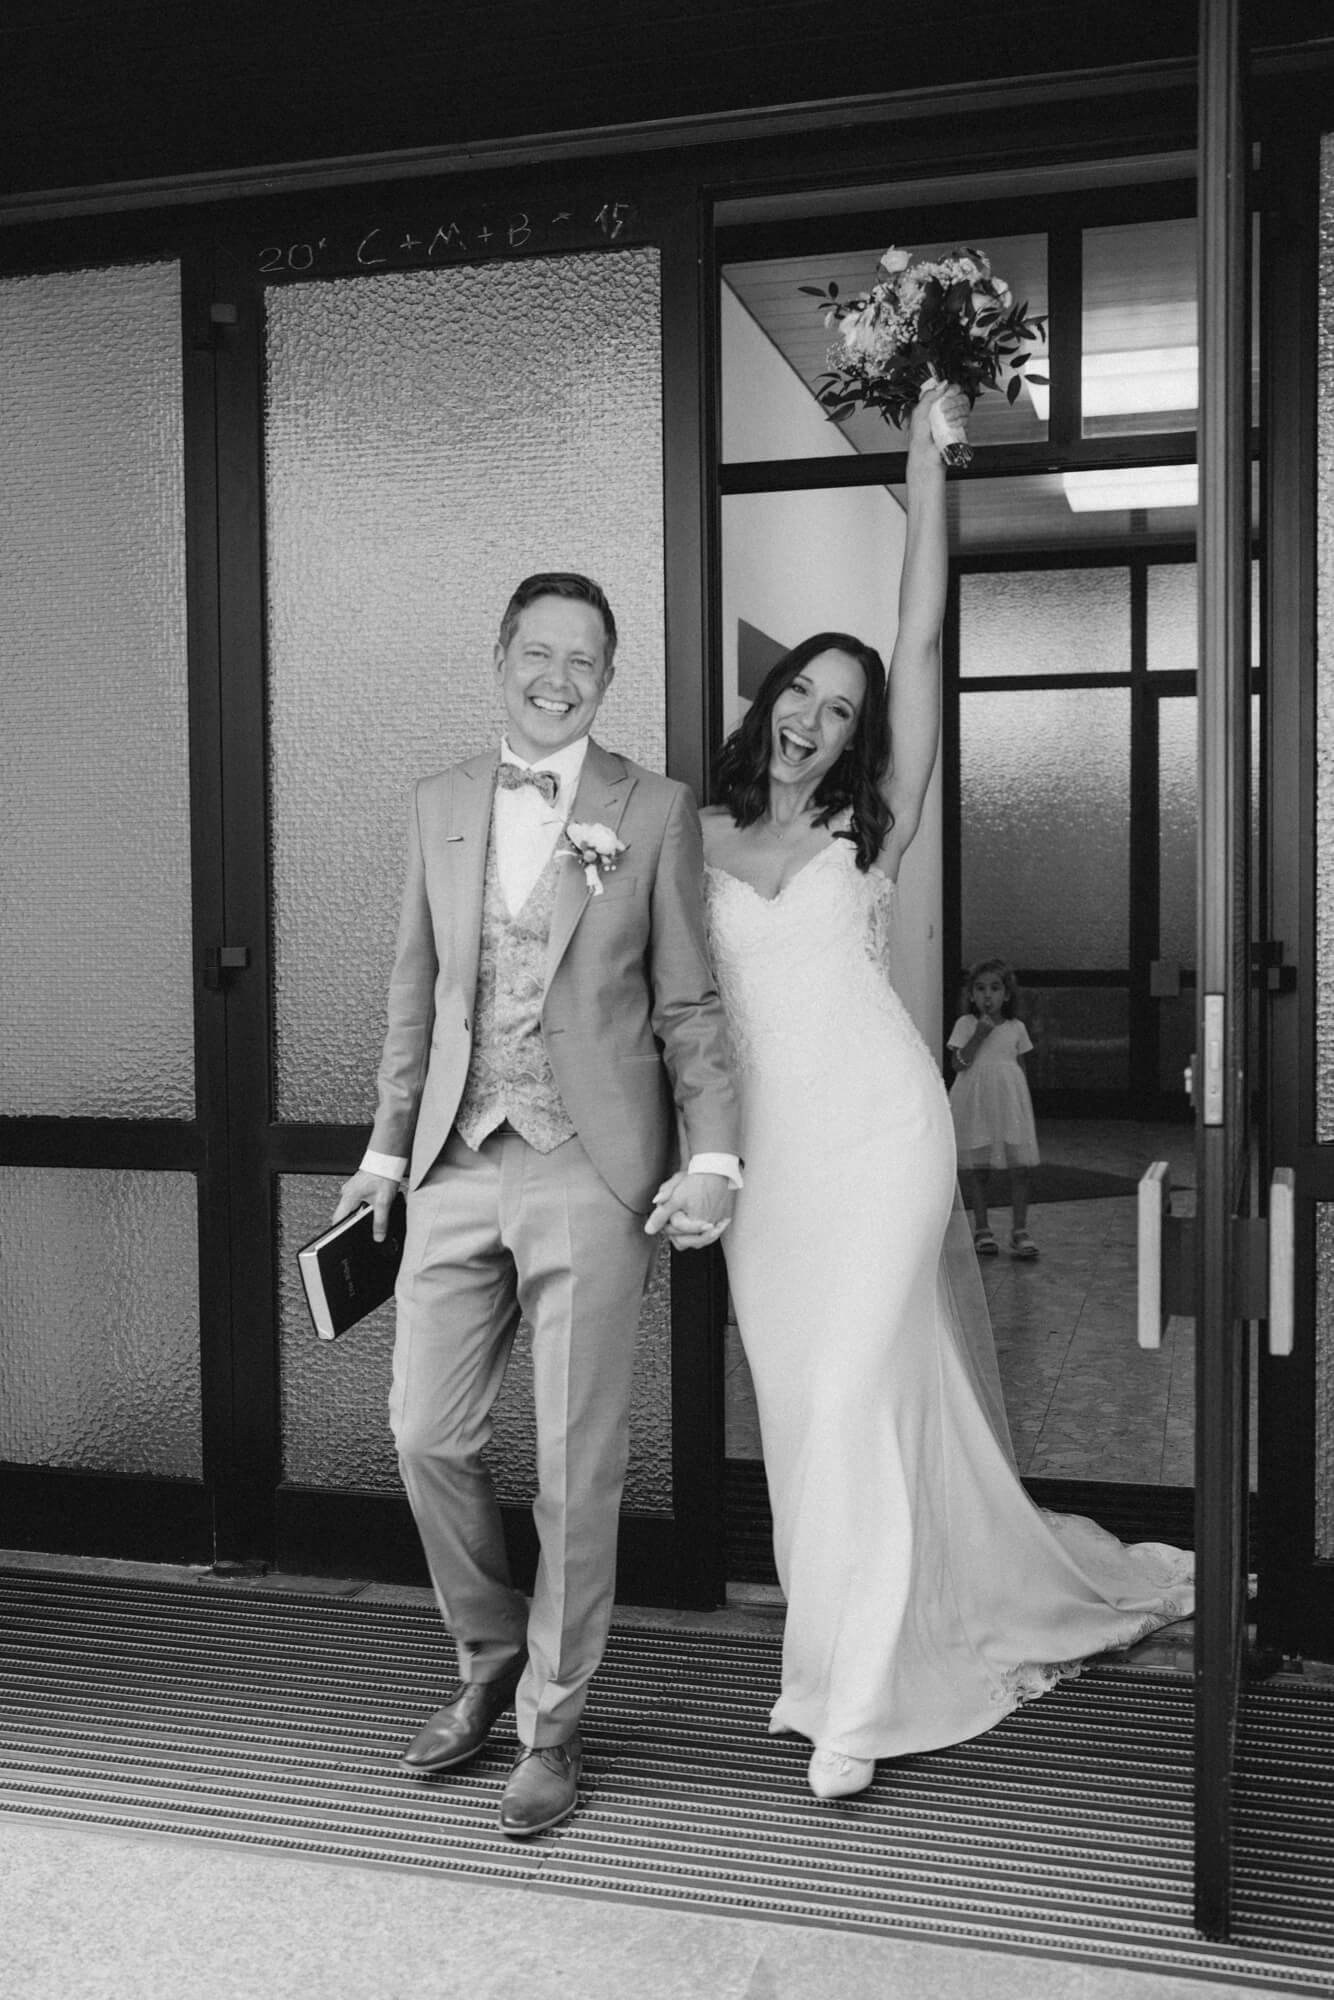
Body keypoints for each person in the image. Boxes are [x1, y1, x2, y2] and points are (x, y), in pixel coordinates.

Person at [655, 382, 1192, 1801]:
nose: (814, 719)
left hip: (883, 1136)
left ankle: (857, 1700)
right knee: (807, 1410)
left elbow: (922, 632)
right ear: (766, 700)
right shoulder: (685, 835)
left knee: (847, 1392)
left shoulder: (870, 829)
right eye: (801, 694)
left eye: (842, 710)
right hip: (766, 1166)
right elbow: (661, 1005)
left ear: (857, 737)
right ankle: (840, 1648)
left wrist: (922, 462)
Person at [334, 572, 740, 1838]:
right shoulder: (439, 801)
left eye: (583, 660)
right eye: (538, 652)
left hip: (588, 1165)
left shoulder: (653, 808)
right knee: (423, 1429)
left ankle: (551, 1725)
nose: (557, 678)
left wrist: (715, 1153)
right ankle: (488, 1649)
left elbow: (687, 1001)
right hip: (454, 1160)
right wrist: (385, 1151)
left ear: (607, 678)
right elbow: (417, 991)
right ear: (499, 655)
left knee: (575, 1463)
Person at [948, 956, 1041, 1259]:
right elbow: (958, 1064)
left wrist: (1022, 1107)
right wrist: (979, 1035)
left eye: (995, 988)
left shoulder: (1016, 1028)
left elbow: (1020, 1067)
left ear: (1007, 994)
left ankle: (1020, 1230)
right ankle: (982, 1228)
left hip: (1008, 1103)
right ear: (971, 994)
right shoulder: (966, 1024)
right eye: (980, 988)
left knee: (1019, 1167)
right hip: (977, 1104)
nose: (987, 995)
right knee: (979, 1168)